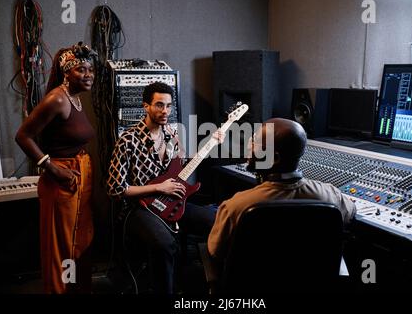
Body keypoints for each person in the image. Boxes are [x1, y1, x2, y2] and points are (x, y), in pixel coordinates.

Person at [107, 82, 221, 294]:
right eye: (159, 105)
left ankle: (216, 285)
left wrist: (210, 144)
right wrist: (159, 188)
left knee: (218, 221)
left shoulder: (171, 136)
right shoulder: (127, 140)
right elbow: (115, 189)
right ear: (146, 106)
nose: (165, 111)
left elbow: (181, 174)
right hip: (138, 209)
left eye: (168, 106)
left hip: (172, 203)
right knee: (164, 243)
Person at [208, 118, 356, 261]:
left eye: (255, 142)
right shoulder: (332, 196)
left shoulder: (236, 206)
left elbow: (216, 252)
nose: (249, 146)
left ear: (275, 158)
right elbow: (351, 211)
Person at [15, 42, 97, 294]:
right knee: (62, 245)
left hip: (80, 177)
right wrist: (50, 167)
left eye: (90, 69)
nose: (88, 75)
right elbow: (23, 135)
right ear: (67, 73)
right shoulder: (57, 99)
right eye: (81, 70)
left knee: (79, 241)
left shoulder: (76, 99)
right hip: (61, 180)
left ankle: (77, 290)